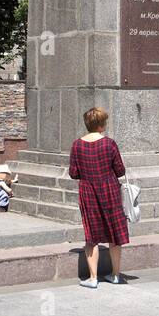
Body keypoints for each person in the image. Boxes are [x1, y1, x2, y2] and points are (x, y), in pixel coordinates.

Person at [69, 106, 129, 288]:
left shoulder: (77, 144)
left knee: (91, 236)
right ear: (101, 125)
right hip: (109, 190)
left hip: (88, 191)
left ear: (87, 124)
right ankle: (116, 275)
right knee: (114, 235)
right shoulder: (109, 143)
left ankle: (93, 278)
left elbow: (73, 173)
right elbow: (120, 170)